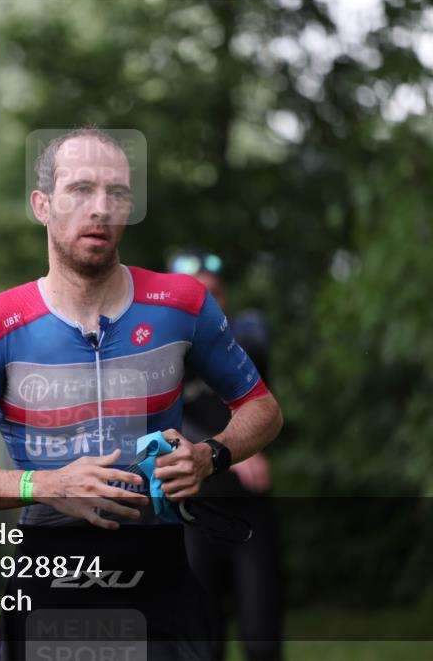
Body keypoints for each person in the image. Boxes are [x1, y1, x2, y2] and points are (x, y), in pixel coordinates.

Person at [0, 127, 284, 660]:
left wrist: (210, 456)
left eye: (115, 192)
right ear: (42, 205)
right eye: (80, 189)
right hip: (50, 573)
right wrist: (47, 485)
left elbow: (263, 410)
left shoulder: (181, 305)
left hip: (159, 572)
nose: (100, 208)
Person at [170, 250, 283, 661]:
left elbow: (266, 410)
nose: (207, 305)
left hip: (248, 508)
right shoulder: (164, 354)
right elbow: (162, 423)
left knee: (261, 637)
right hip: (193, 511)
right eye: (197, 296)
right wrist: (228, 450)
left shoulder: (246, 343)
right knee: (204, 643)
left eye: (215, 294)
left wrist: (244, 447)